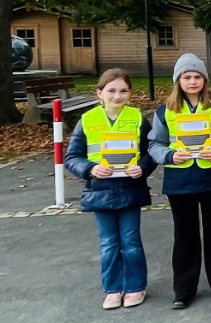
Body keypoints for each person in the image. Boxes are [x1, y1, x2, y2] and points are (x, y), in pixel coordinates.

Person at [148, 54, 211, 310]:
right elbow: (155, 143)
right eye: (186, 77)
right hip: (180, 180)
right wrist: (169, 156)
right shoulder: (165, 110)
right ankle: (184, 291)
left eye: (197, 76)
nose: (192, 81)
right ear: (178, 80)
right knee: (184, 237)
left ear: (205, 79)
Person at [65, 69, 155, 310]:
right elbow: (72, 156)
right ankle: (113, 289)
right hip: (100, 190)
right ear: (99, 93)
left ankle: (136, 287)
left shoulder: (137, 118)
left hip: (129, 188)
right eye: (111, 91)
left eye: (123, 91)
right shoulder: (87, 120)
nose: (117, 96)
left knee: (131, 241)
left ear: (130, 94)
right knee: (108, 243)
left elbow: (150, 152)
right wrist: (90, 168)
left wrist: (142, 167)